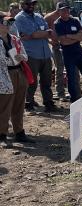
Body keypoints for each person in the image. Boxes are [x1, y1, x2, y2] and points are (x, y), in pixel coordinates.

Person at [15, 0, 56, 113]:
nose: (31, 6)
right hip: (31, 54)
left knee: (47, 81)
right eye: (28, 4)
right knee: (31, 81)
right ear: (22, 5)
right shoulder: (20, 18)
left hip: (45, 54)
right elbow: (34, 34)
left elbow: (45, 32)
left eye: (33, 4)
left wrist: (42, 33)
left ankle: (48, 102)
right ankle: (28, 102)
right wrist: (44, 33)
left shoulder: (38, 16)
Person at [0, 13, 33, 148]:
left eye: (9, 23)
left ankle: (19, 132)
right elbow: (2, 60)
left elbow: (25, 55)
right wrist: (15, 59)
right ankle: (2, 135)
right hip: (4, 75)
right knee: (4, 106)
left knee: (19, 104)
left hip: (19, 73)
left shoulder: (14, 39)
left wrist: (21, 57)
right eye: (5, 23)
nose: (9, 26)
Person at [54, 2, 82, 103]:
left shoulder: (75, 20)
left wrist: (69, 36)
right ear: (59, 11)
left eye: (67, 9)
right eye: (63, 10)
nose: (66, 11)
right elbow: (64, 42)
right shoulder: (58, 24)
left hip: (79, 52)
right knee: (71, 76)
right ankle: (74, 98)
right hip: (68, 54)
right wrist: (76, 37)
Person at [44, 2, 68, 103]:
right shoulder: (48, 17)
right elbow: (43, 32)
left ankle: (70, 91)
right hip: (56, 46)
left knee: (70, 68)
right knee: (59, 69)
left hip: (67, 45)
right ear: (57, 9)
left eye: (65, 10)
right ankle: (60, 92)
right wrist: (50, 41)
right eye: (61, 10)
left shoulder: (67, 16)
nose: (63, 12)